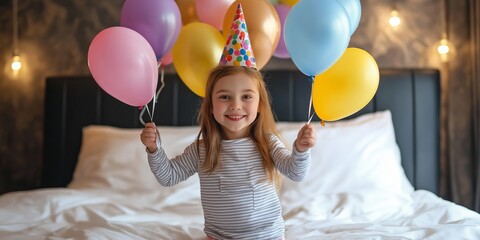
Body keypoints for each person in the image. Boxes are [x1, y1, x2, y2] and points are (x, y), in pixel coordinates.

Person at [140, 4, 316, 239]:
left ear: (259, 105)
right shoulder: (203, 149)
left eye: (246, 97)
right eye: (224, 97)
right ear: (211, 106)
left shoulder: (266, 142)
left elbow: (295, 172)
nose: (235, 105)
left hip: (267, 236)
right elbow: (168, 176)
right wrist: (154, 149)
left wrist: (301, 150)